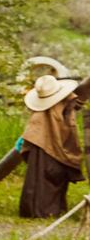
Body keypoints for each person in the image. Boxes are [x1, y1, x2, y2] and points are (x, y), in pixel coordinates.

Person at [19, 72, 82, 219]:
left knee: (44, 178)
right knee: (44, 177)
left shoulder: (56, 105)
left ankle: (40, 210)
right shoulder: (55, 108)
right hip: (44, 145)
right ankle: (42, 211)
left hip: (44, 145)